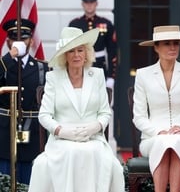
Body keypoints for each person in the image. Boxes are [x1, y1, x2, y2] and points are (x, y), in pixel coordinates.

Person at [28, 27, 124, 192]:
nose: (76, 55)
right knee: (69, 153)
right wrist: (61, 131)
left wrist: (94, 127)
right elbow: (44, 115)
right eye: (71, 51)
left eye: (80, 50)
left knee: (104, 159)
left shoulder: (98, 75)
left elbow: (105, 112)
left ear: (87, 53)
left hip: (93, 139)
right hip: (62, 141)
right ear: (64, 55)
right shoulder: (53, 78)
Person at [133, 25, 180, 192]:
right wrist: (157, 131)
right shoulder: (143, 75)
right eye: (167, 43)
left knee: (176, 140)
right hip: (152, 138)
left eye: (176, 43)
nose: (173, 47)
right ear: (156, 47)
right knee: (165, 141)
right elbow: (138, 117)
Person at [0, 19, 48, 184]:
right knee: (5, 181)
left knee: (30, 182)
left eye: (24, 38)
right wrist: (10, 56)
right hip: (5, 134)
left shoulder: (42, 68)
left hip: (32, 134)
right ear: (8, 42)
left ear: (31, 41)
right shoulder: (3, 66)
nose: (19, 42)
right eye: (14, 38)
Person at [68, 0, 117, 88]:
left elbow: (112, 51)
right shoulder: (75, 24)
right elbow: (69, 50)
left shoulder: (106, 23)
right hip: (79, 68)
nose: (89, 5)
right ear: (82, 4)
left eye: (92, 2)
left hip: (99, 66)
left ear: (96, 4)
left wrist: (111, 76)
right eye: (86, 3)